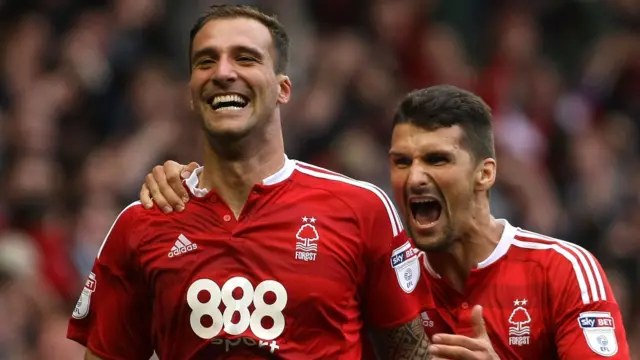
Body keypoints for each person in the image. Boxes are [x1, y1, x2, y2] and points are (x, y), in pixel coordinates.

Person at [144, 85, 631, 359]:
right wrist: (195, 186)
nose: (414, 177)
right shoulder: (374, 267)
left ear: (486, 173)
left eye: (437, 160)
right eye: (401, 161)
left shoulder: (564, 271)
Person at [67, 4, 432, 360]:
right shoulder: (142, 224)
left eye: (245, 58)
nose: (223, 72)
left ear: (283, 88)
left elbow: (411, 352)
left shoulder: (363, 210)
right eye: (206, 61)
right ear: (192, 93)